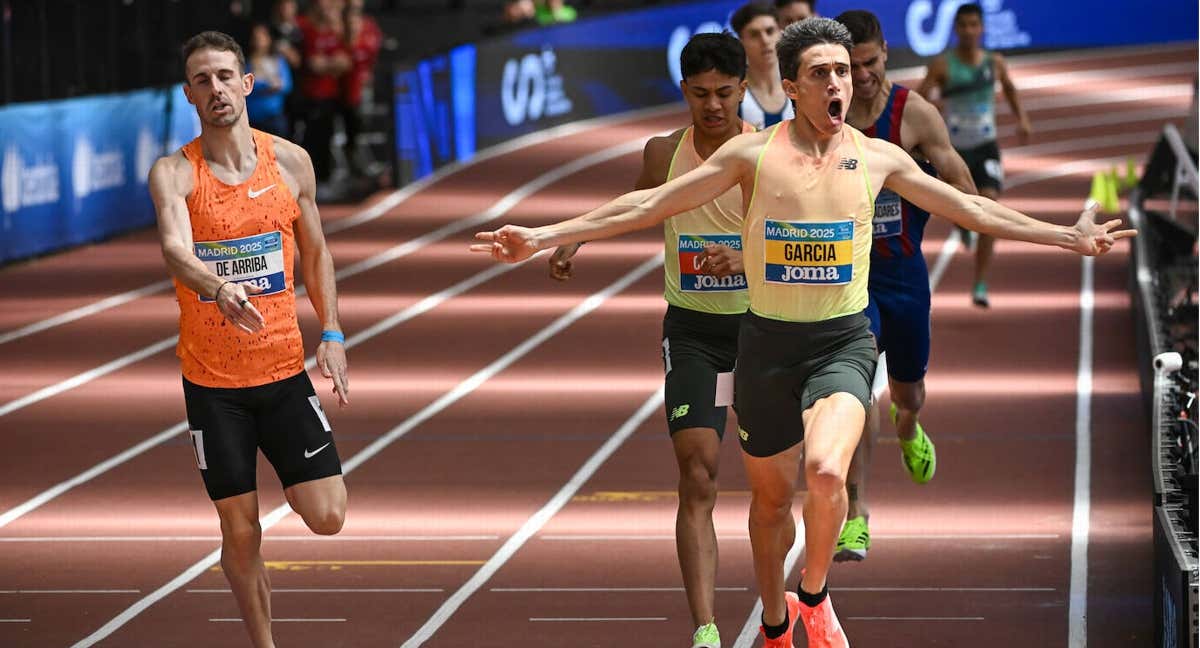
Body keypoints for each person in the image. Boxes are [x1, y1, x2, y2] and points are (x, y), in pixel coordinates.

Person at [472, 18, 1131, 647]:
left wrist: (1063, 237)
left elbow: (970, 206)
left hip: (842, 340)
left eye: (843, 71)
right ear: (791, 87)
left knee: (824, 473)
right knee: (767, 507)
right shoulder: (752, 154)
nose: (838, 84)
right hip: (764, 349)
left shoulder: (878, 159)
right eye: (821, 73)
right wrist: (544, 234)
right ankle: (774, 618)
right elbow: (648, 202)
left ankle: (813, 597)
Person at [148, 30, 351, 648]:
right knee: (240, 530)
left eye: (224, 76)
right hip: (214, 387)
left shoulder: (289, 161)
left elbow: (315, 251)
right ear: (189, 94)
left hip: (284, 370)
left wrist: (334, 330)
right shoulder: (175, 174)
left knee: (328, 516)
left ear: (247, 83)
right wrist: (217, 286)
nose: (215, 89)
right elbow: (175, 250)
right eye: (201, 80)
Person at [550, 32, 752, 648]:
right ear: (684, 92)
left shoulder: (769, 155)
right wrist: (575, 234)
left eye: (723, 93)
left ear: (744, 88)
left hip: (763, 331)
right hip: (693, 332)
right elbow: (637, 200)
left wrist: (740, 255)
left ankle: (784, 600)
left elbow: (800, 236)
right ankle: (707, 629)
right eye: (699, 95)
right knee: (698, 473)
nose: (712, 106)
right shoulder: (666, 151)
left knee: (774, 482)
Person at [829, 9, 978, 562]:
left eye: (869, 63)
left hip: (905, 277)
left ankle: (909, 425)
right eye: (850, 66)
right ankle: (857, 513)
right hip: (847, 279)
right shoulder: (825, 118)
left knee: (907, 394)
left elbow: (962, 186)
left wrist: (1011, 226)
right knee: (855, 386)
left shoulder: (914, 115)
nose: (861, 76)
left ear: (885, 53)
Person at [917, 2, 1033, 308]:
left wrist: (1022, 118)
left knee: (990, 207)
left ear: (982, 28)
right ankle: (963, 226)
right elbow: (919, 98)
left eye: (974, 25)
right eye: (963, 25)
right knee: (961, 208)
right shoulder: (942, 65)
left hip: (985, 146)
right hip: (953, 151)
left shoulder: (995, 62)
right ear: (955, 29)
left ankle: (980, 282)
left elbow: (1009, 89)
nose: (969, 31)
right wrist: (933, 113)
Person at [731, 2, 794, 129]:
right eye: (754, 34)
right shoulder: (733, 94)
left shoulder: (799, 83)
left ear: (781, 34)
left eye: (770, 31)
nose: (764, 41)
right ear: (741, 42)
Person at [246, 24, 293, 138]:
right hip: (253, 118)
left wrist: (266, 84)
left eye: (262, 36)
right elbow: (246, 86)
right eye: (255, 37)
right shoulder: (247, 63)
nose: (259, 41)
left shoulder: (278, 60)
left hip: (275, 117)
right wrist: (267, 85)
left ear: (269, 39)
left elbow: (287, 85)